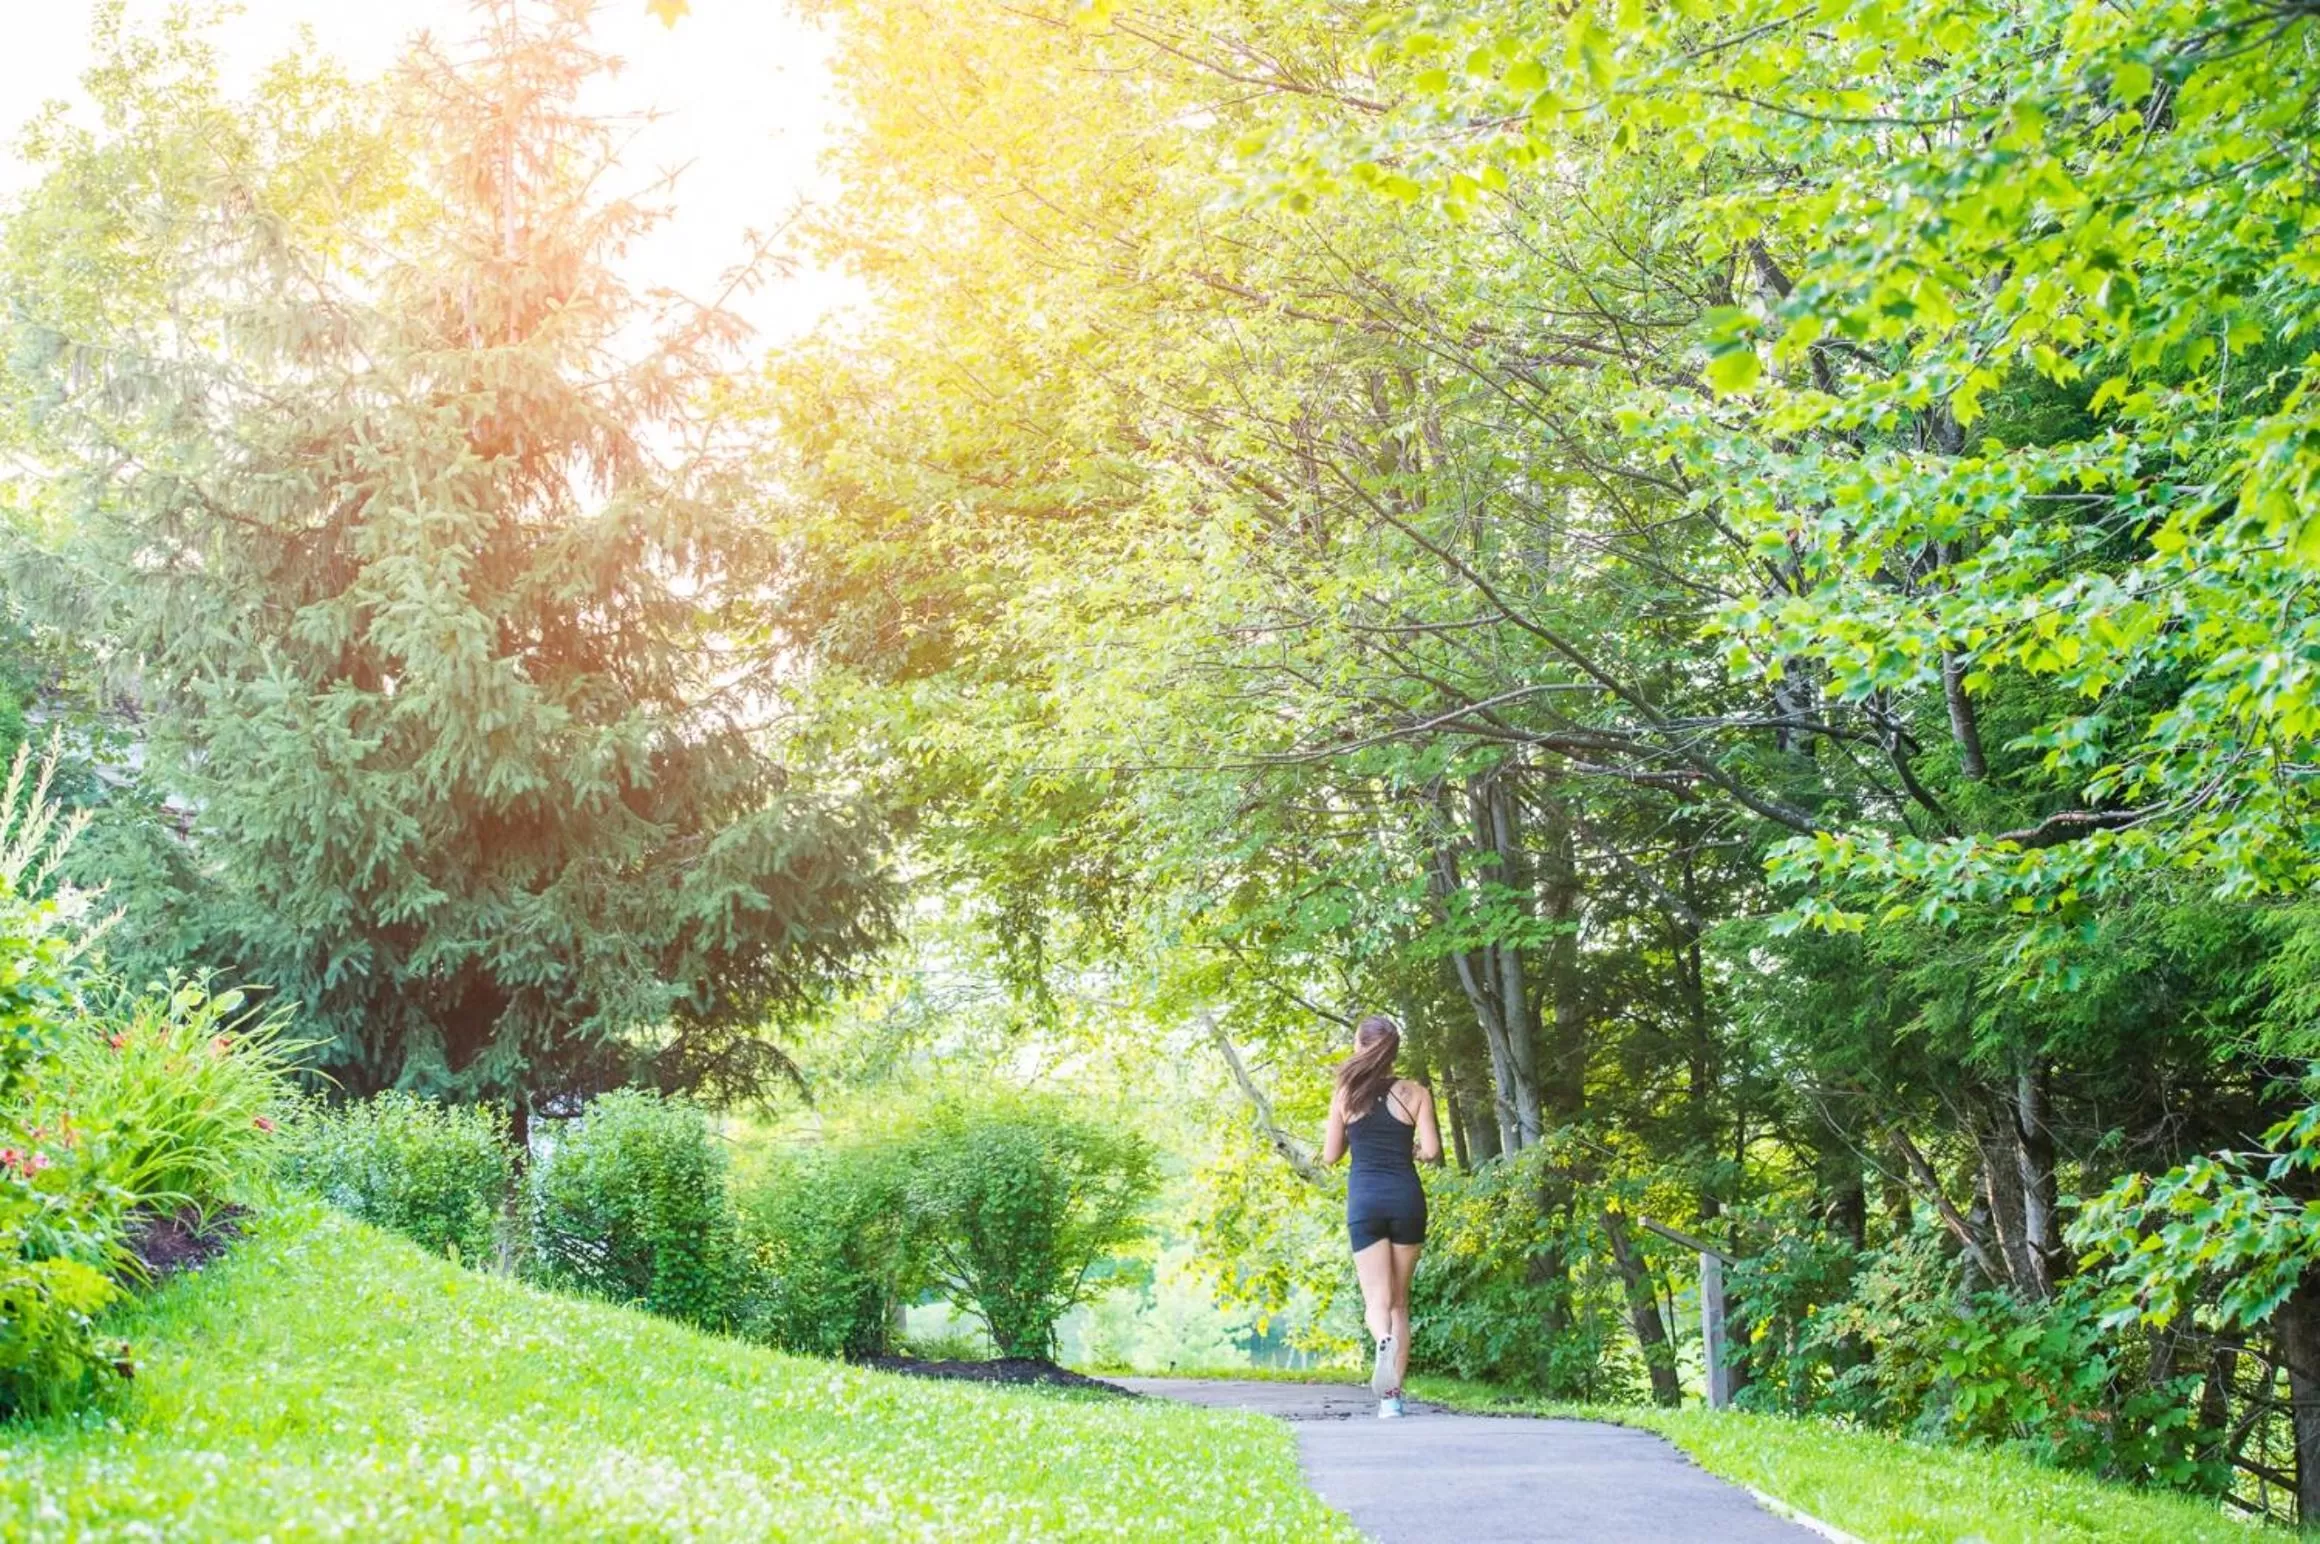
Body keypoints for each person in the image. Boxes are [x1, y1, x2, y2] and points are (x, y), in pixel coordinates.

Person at [1321, 1012, 1443, 1418]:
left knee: (1377, 1301)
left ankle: (1381, 1341)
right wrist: (1409, 1151)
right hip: (1407, 1200)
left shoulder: (1345, 1093)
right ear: (1393, 1052)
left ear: (1361, 1047)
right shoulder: (1417, 1093)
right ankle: (1393, 1402)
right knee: (1400, 1303)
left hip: (1365, 1202)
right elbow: (1431, 1151)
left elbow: (1331, 1155)